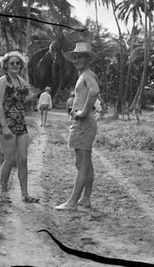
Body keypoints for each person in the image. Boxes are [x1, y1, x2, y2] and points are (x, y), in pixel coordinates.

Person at [55, 42, 100, 211]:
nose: (77, 60)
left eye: (81, 57)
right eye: (75, 57)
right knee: (85, 163)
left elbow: (94, 91)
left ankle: (72, 202)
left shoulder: (87, 75)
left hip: (83, 122)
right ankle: (85, 199)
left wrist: (82, 112)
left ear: (88, 59)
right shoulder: (85, 75)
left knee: (82, 164)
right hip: (83, 122)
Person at [0, 51, 39, 203]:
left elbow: (23, 101)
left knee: (23, 160)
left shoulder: (21, 81)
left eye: (18, 63)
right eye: (12, 63)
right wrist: (5, 126)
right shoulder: (3, 81)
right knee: (9, 159)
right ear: (6, 65)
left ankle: (25, 194)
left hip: (21, 123)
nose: (15, 65)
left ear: (21, 66)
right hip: (7, 124)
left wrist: (30, 98)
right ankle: (3, 192)